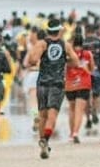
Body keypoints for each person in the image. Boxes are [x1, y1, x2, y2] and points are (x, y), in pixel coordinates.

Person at [26, 18, 79, 159]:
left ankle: (42, 142)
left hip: (42, 82)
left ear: (48, 30)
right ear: (60, 30)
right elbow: (76, 61)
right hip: (57, 83)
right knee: (52, 115)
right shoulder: (65, 45)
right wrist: (63, 61)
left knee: (42, 115)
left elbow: (32, 60)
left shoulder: (42, 44)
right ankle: (46, 140)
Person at [64, 31, 93, 144]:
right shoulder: (87, 54)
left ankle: (71, 134)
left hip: (70, 84)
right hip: (84, 84)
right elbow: (92, 68)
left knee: (71, 109)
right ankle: (76, 132)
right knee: (79, 111)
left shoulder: (68, 54)